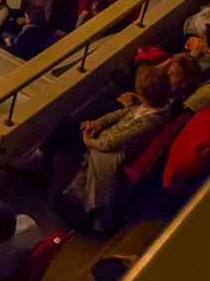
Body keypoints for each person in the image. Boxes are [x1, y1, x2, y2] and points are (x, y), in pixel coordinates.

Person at [63, 64, 174, 221]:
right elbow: (121, 113)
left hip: (111, 151)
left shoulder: (151, 120)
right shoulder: (152, 106)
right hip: (104, 139)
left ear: (145, 95)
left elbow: (114, 142)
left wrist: (89, 141)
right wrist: (97, 123)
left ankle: (68, 198)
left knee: (65, 129)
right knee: (67, 126)